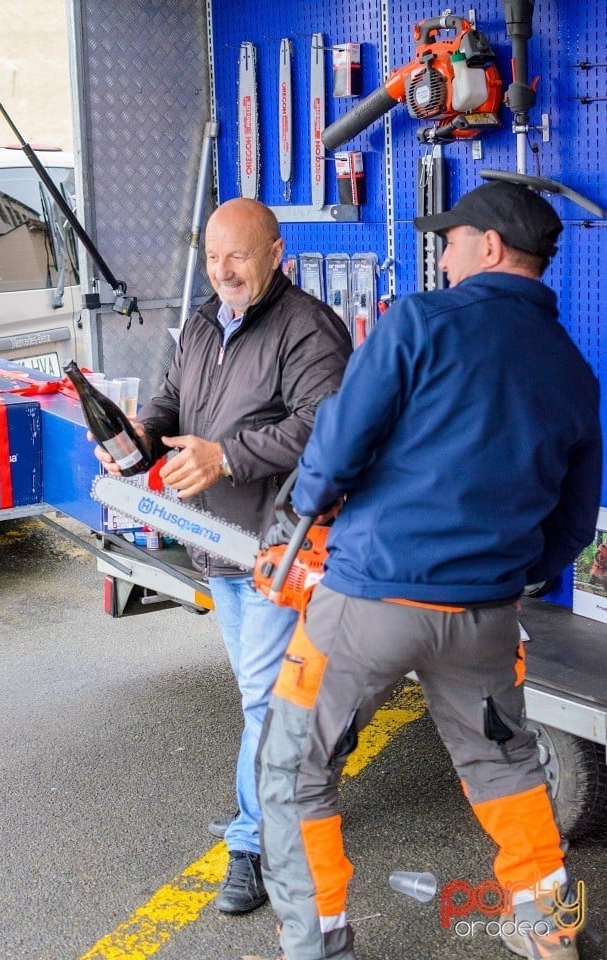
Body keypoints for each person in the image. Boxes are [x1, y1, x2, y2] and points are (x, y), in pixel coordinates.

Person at [252, 181, 602, 960]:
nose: (441, 258)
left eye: (449, 242)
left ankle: (316, 942)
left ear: (491, 247)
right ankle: (550, 931)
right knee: (505, 761)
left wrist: (296, 522)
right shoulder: (574, 372)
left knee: (295, 764)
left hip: (369, 600)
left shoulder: (420, 322)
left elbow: (339, 444)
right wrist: (506, 576)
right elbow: (573, 524)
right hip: (485, 617)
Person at [92, 198, 352, 913]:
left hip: (277, 544)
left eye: (237, 255)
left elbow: (324, 428)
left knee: (262, 705)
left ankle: (251, 844)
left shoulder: (310, 329)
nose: (223, 269)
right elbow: (175, 401)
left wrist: (226, 458)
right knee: (260, 701)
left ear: (275, 253)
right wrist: (139, 437)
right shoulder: (205, 321)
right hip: (216, 542)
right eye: (212, 257)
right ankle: (322, 741)